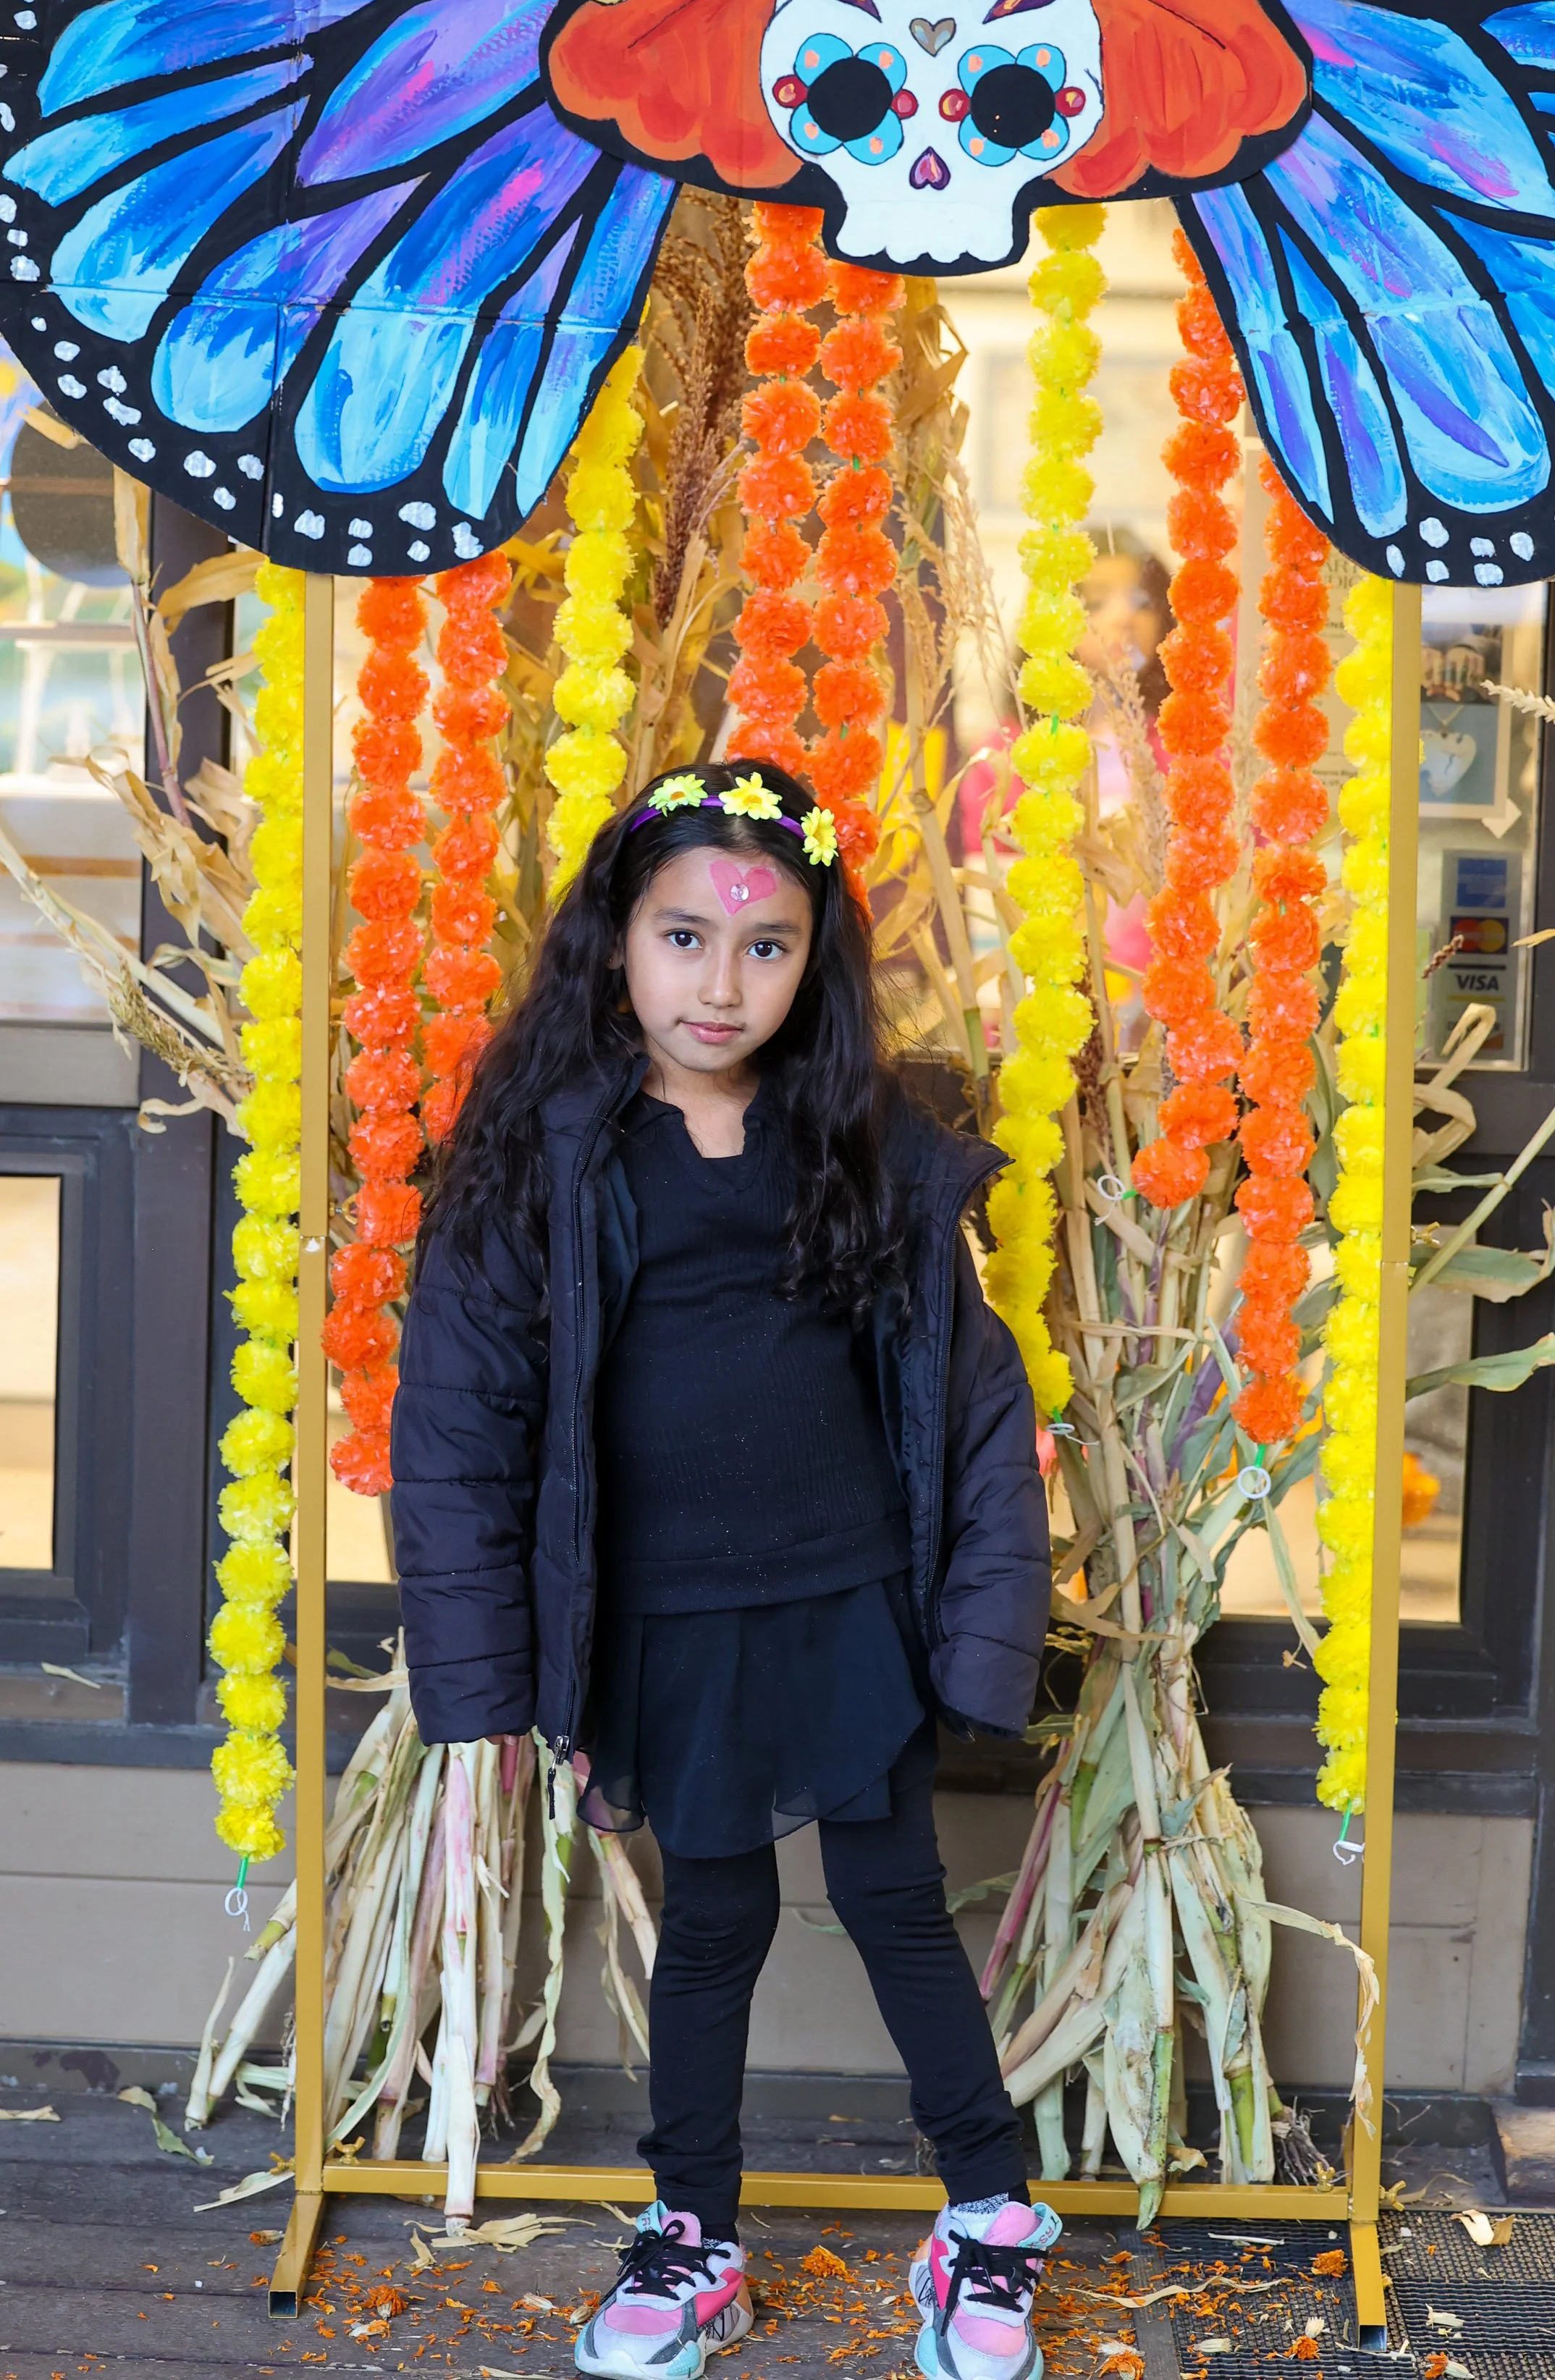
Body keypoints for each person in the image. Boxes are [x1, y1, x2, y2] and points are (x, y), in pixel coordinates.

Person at [390, 759, 1060, 2380]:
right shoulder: (547, 1149)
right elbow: (461, 1414)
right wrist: (476, 1664)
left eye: (764, 949)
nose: (719, 981)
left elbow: (968, 1406)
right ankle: (693, 2234)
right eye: (683, 937)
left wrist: (978, 1632)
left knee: (897, 1900)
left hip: (846, 1593)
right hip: (663, 1609)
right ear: (614, 941)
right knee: (711, 1922)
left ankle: (985, 2218)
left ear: (813, 956)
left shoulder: (867, 1142)